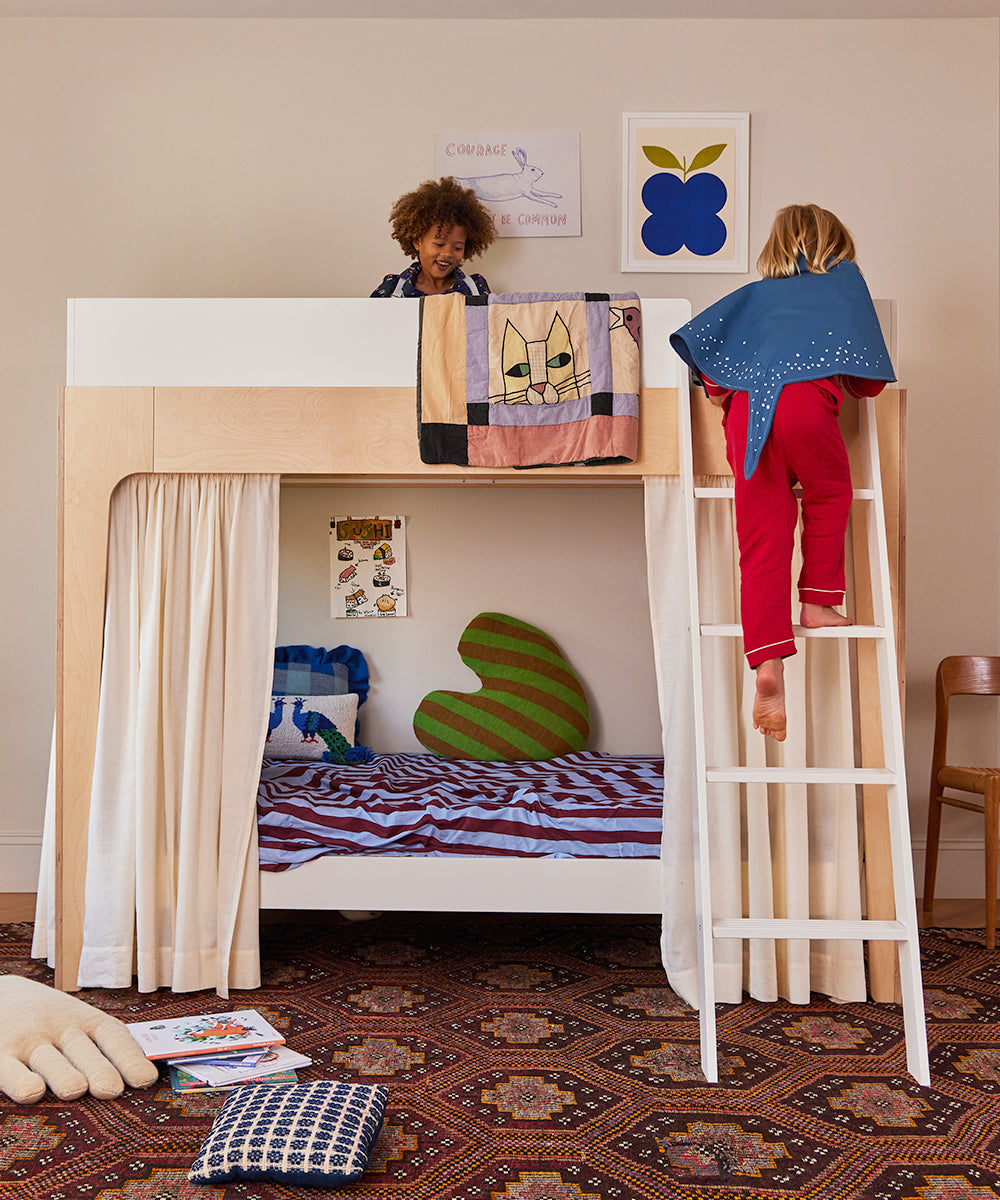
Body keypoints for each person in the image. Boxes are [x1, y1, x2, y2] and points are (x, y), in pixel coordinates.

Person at [670, 204, 895, 741]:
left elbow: (715, 381)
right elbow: (869, 384)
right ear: (835, 249)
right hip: (803, 408)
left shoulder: (754, 299)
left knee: (761, 537)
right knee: (829, 493)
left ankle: (767, 661)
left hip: (746, 416)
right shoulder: (843, 289)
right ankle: (817, 601)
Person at [371, 176, 497, 298]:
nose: (448, 253)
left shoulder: (476, 288)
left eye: (458, 248)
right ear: (417, 242)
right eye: (439, 244)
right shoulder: (392, 288)